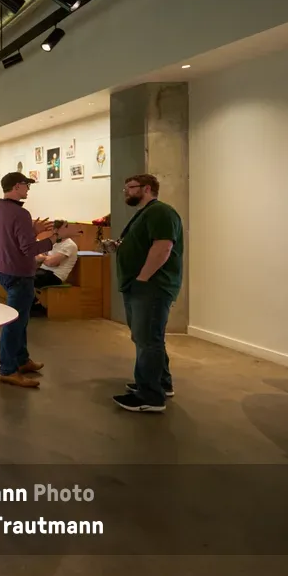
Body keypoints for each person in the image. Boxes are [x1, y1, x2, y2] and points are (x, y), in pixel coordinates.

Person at [108, 174, 184, 413]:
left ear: (147, 188)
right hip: (141, 285)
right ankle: (160, 382)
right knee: (148, 337)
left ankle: (150, 395)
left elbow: (163, 247)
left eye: (129, 188)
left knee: (147, 339)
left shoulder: (161, 212)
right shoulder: (145, 213)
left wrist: (143, 278)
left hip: (152, 286)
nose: (126, 192)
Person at [0, 172, 54, 389]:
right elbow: (28, 249)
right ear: (17, 186)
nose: (28, 189)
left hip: (5, 270)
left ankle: (22, 359)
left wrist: (32, 231)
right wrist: (54, 239)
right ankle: (7, 369)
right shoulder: (21, 213)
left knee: (21, 321)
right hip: (19, 274)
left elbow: (13, 241)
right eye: (26, 185)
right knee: (15, 324)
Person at [0, 220, 81, 298]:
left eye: (56, 230)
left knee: (21, 278)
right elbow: (38, 258)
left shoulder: (69, 245)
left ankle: (31, 303)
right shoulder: (54, 241)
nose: (53, 232)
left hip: (54, 276)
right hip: (41, 270)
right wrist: (42, 257)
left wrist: (42, 257)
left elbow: (51, 262)